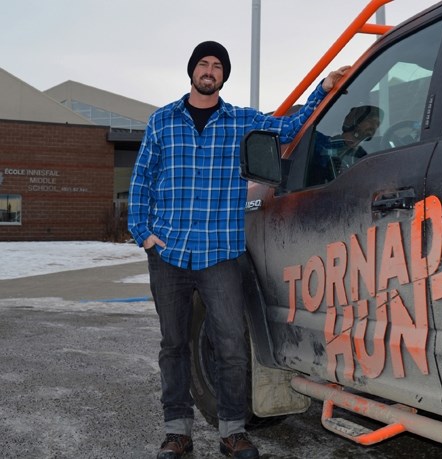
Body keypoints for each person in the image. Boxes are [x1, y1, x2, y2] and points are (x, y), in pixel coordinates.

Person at [128, 40, 348, 459]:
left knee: (230, 345)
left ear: (224, 76)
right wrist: (144, 234)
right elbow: (142, 180)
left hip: (220, 255)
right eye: (203, 64)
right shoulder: (162, 121)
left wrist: (323, 89)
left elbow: (292, 126)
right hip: (169, 253)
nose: (209, 71)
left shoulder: (242, 121)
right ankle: (177, 433)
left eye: (217, 66)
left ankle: (232, 431)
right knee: (173, 346)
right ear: (192, 71)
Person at [308, 105, 383, 185]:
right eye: (370, 121)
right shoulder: (321, 143)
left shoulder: (363, 155)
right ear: (355, 121)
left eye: (377, 124)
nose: (374, 126)